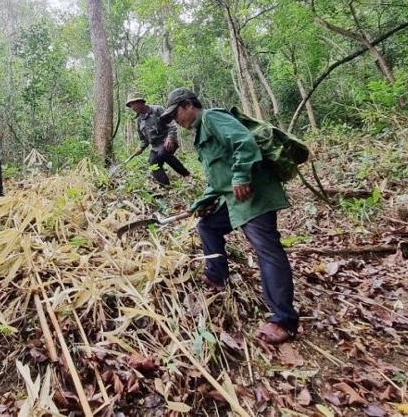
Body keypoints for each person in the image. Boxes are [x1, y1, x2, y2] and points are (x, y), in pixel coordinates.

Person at [160, 87, 299, 344]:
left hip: (252, 195)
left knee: (267, 251)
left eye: (176, 113)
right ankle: (217, 277)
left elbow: (243, 141)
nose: (175, 120)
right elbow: (218, 179)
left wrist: (241, 176)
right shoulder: (202, 134)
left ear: (189, 105)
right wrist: (200, 203)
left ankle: (284, 320)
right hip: (234, 199)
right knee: (209, 225)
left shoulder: (212, 118)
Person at [124, 92, 191, 187]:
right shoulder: (139, 120)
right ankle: (165, 185)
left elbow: (172, 124)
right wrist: (140, 147)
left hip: (169, 140)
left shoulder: (157, 109)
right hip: (155, 146)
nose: (132, 108)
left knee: (163, 153)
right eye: (130, 106)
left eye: (133, 104)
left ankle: (186, 174)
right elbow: (144, 140)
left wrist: (170, 138)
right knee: (153, 163)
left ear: (140, 102)